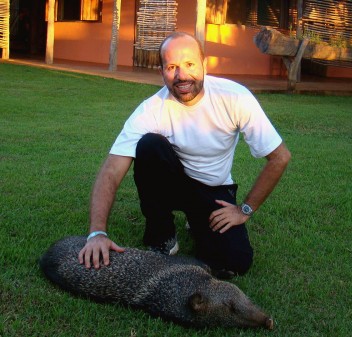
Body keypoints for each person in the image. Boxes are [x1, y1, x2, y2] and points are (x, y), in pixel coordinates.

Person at [78, 32, 291, 278]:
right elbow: (111, 171)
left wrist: (244, 209)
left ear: (204, 65)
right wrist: (97, 233)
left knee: (234, 262)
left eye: (190, 64)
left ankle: (197, 219)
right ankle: (162, 235)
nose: (182, 76)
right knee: (149, 145)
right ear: (161, 72)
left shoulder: (235, 97)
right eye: (172, 67)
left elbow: (280, 157)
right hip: (173, 184)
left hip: (214, 189)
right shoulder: (151, 110)